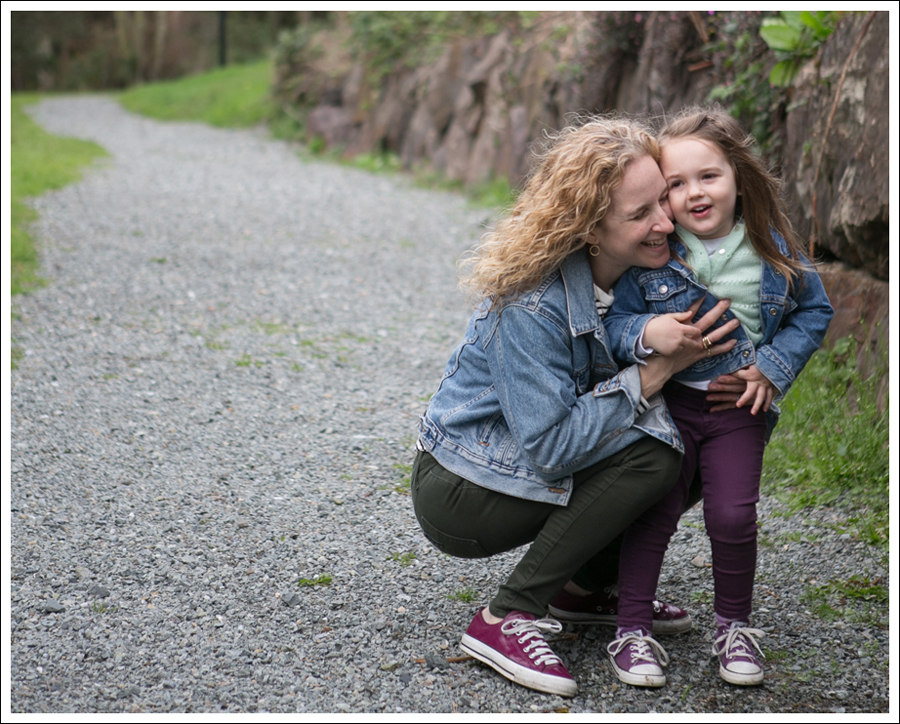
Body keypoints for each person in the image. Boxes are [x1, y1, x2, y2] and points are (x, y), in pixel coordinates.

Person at [410, 115, 744, 698]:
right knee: (653, 455)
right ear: (590, 229)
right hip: (463, 486)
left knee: (695, 433)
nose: (666, 220)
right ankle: (505, 618)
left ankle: (584, 589)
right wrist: (656, 371)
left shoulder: (642, 275)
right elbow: (551, 448)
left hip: (527, 458)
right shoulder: (533, 305)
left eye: (661, 200)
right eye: (640, 215)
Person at [603, 106, 834, 688]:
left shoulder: (770, 248)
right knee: (653, 512)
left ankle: (734, 627)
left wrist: (772, 369)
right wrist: (644, 334)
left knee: (733, 516)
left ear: (737, 175)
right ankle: (631, 629)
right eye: (675, 184)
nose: (693, 193)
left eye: (708, 176)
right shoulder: (659, 251)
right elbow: (616, 321)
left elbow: (815, 310)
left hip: (738, 412)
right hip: (667, 408)